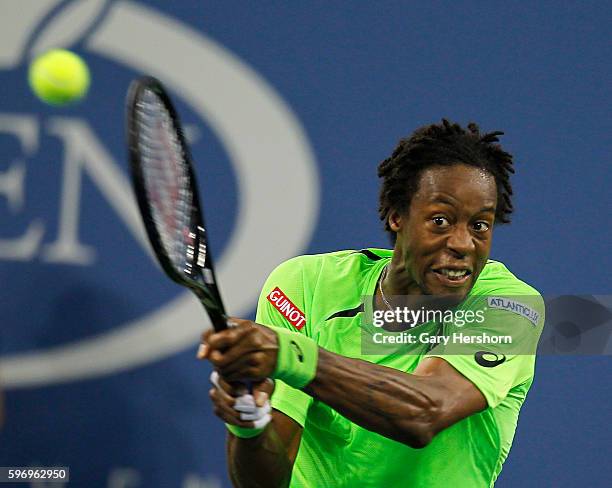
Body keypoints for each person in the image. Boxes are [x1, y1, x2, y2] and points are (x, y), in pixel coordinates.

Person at [199, 119, 544, 487]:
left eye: (480, 225)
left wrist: (291, 356)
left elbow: (425, 412)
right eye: (440, 221)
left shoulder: (510, 304)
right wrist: (249, 423)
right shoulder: (304, 285)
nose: (462, 244)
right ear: (397, 216)